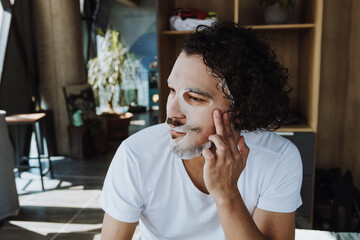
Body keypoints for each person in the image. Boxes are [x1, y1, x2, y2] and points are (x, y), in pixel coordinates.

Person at [100, 21, 302, 240]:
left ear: (242, 110)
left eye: (194, 98)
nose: (172, 112)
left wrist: (227, 194)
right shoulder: (136, 156)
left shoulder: (278, 159)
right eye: (172, 91)